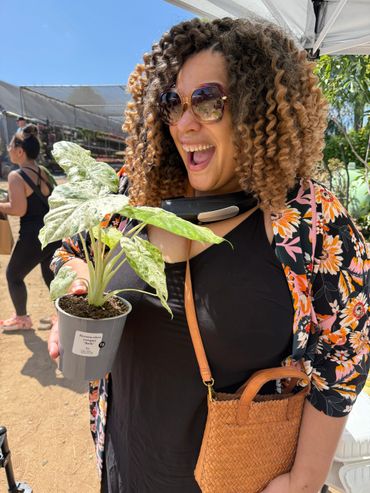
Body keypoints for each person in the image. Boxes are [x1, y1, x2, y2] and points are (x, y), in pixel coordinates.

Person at [49, 17, 369, 493]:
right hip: (125, 464)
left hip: (238, 479)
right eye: (172, 102)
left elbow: (345, 356)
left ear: (258, 109)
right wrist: (73, 290)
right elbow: (69, 250)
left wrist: (304, 479)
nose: (183, 123)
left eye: (208, 101)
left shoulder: (310, 220)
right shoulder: (131, 196)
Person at [0, 124, 61, 330]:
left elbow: (18, 209)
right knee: (50, 276)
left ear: (19, 151)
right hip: (53, 233)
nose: (8, 148)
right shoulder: (43, 171)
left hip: (33, 236)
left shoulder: (16, 176)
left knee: (13, 275)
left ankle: (22, 318)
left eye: (11, 144)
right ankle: (62, 319)